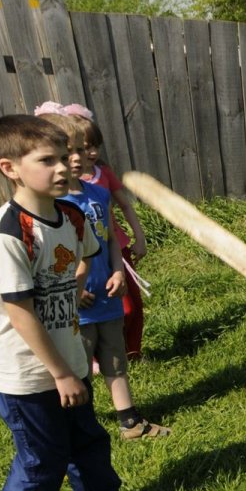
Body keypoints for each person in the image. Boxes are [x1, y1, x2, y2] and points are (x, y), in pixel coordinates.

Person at [0, 115, 148, 491]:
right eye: (47, 160)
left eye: (65, 158)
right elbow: (19, 312)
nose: (63, 167)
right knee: (43, 458)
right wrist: (59, 373)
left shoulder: (72, 215)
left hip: (70, 360)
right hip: (27, 373)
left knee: (88, 442)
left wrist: (76, 289)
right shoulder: (9, 231)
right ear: (10, 167)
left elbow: (77, 263)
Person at [38, 113, 170, 440]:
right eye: (65, 153)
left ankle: (130, 422)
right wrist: (72, 288)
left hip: (108, 295)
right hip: (77, 305)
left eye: (80, 151)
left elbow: (109, 235)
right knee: (78, 369)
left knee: (115, 359)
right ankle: (75, 428)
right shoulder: (51, 206)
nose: (75, 159)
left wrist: (117, 271)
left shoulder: (97, 194)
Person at [66, 107, 151, 361]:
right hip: (83, 256)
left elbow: (124, 205)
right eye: (83, 147)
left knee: (132, 305)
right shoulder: (62, 190)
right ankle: (94, 358)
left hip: (115, 247)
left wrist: (139, 237)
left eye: (93, 146)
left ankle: (132, 351)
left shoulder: (103, 176)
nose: (89, 152)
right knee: (91, 306)